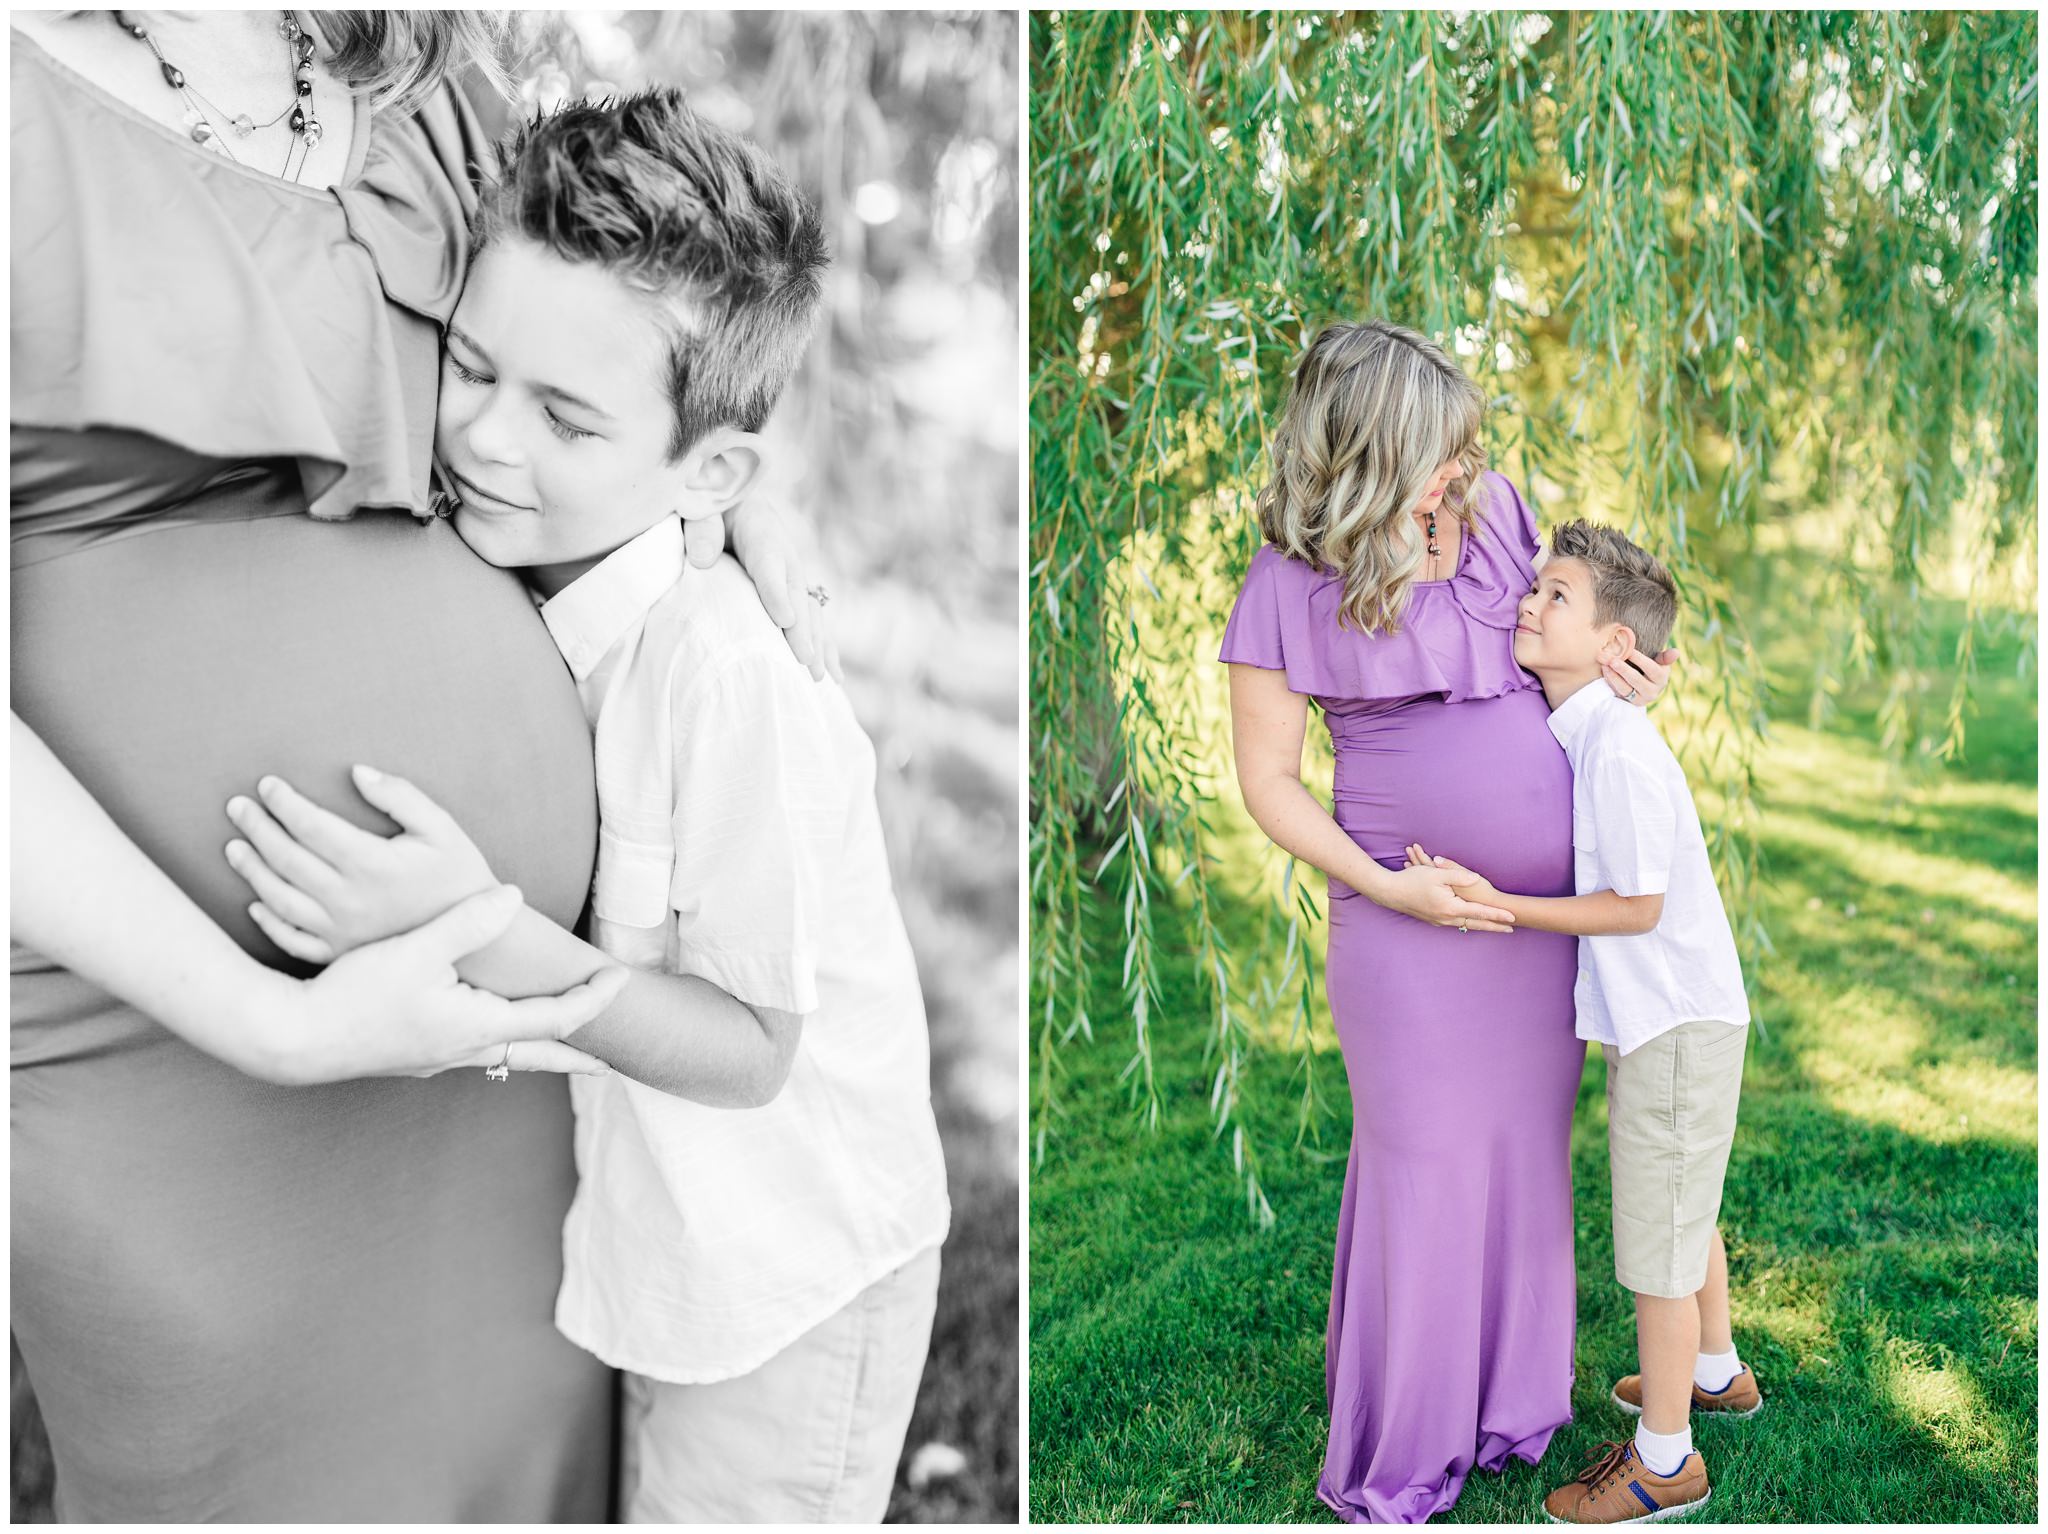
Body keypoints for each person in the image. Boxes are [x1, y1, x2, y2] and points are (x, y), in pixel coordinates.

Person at [10, 11, 823, 1520]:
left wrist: (728, 495)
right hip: (165, 1033)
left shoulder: (422, 78)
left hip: (500, 1068)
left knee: (511, 1448)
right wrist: (273, 1022)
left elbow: (636, 340)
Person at [221, 89, 952, 1523]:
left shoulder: (724, 673)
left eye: (563, 415)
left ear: (713, 473)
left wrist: (468, 927)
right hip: (673, 1239)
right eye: (473, 369)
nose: (486, 439)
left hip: (791, 1275)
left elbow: (750, 1051)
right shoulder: (540, 547)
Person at [1221, 320, 1674, 1523]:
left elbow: (1559, 656)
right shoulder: (1281, 582)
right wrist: (1384, 885)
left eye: (1468, 449)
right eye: (1441, 451)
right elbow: (1267, 783)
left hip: (1540, 930)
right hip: (1405, 927)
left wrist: (1625, 688)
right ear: (1368, 450)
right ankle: (1405, 1443)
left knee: (1526, 1153)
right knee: (1422, 1164)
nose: (1463, 472)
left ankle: (1511, 1407)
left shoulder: (1502, 520)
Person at [1406, 521, 1754, 1524]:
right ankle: (1714, 1371)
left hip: (1673, 1025)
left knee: (1655, 1239)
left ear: (1609, 644)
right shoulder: (1590, 724)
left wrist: (1503, 904)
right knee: (1683, 1198)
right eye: (1534, 587)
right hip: (1671, 1021)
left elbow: (1634, 906)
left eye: (1553, 594)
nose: (1526, 602)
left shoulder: (1616, 747)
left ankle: (1664, 1461)